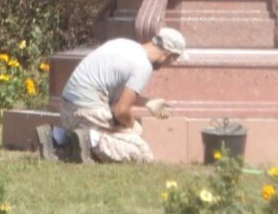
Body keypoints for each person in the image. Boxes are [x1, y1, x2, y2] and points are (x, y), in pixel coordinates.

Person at [39, 27, 186, 164]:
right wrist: (133, 125)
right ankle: (90, 139)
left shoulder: (125, 44)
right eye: (174, 59)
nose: (171, 64)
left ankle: (57, 136)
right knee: (142, 153)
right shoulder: (143, 66)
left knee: (123, 135)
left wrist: (148, 103)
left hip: (68, 108)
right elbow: (121, 111)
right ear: (167, 54)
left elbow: (111, 89)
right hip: (88, 112)